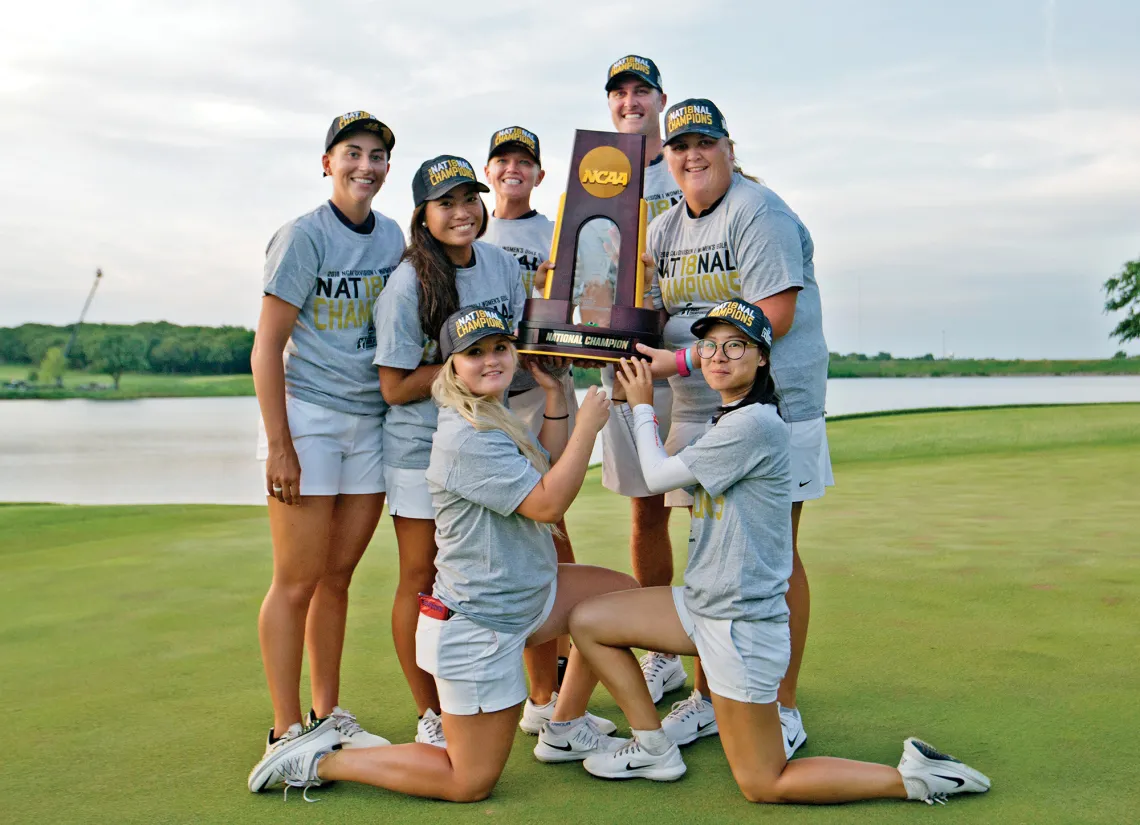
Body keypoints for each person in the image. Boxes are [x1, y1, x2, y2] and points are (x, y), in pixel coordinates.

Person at [567, 299, 991, 807]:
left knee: (763, 782)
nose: (719, 356)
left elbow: (657, 477)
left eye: (736, 346)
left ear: (762, 357)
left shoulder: (757, 425)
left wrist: (639, 404)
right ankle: (653, 747)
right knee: (589, 620)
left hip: (741, 626)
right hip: (701, 605)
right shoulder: (727, 420)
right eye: (710, 345)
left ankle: (917, 778)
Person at [248, 307, 637, 802]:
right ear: (451, 366)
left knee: (618, 599)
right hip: (480, 624)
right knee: (468, 779)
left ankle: (563, 723)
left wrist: (559, 393)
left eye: (499, 348)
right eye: (474, 353)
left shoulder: (493, 413)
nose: (490, 360)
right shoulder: (467, 435)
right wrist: (590, 428)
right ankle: (318, 757)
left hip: (525, 594)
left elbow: (547, 462)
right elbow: (547, 502)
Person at [625, 98, 831, 755]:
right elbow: (644, 318)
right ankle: (711, 696)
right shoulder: (662, 231)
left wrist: (680, 358)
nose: (692, 155)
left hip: (777, 406)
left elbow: (775, 315)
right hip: (701, 408)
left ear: (729, 148)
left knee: (773, 557)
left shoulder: (757, 211)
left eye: (704, 143)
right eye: (680, 145)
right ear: (666, 155)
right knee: (711, 553)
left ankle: (784, 704)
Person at [247, 111, 402, 788]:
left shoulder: (393, 235)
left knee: (337, 577)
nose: (364, 165)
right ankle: (285, 732)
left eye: (376, 156)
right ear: (327, 161)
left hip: (369, 422)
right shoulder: (303, 236)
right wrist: (280, 444)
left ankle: (327, 711)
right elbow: (266, 347)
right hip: (308, 419)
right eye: (352, 153)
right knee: (297, 579)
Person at [371, 155, 527, 748]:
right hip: (421, 450)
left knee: (491, 573)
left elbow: (514, 350)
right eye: (447, 203)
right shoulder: (409, 282)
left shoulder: (501, 264)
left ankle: (519, 699)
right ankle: (430, 712)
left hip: (492, 445)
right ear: (423, 215)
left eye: (471, 198)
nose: (463, 212)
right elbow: (394, 385)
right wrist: (466, 368)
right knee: (422, 578)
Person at [596, 54, 689, 704]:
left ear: (660, 98)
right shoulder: (599, 173)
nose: (630, 101)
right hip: (627, 357)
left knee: (710, 514)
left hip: (691, 361)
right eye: (620, 92)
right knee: (645, 510)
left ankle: (724, 659)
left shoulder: (684, 161)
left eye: (640, 90)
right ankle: (664, 653)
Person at [481, 125, 580, 704]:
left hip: (540, 393)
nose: (512, 168)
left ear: (539, 174)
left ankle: (564, 650)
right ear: (488, 171)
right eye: (502, 160)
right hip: (486, 401)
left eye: (524, 161)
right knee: (500, 531)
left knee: (553, 521)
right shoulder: (469, 223)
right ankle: (517, 665)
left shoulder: (555, 230)